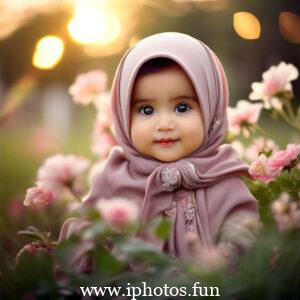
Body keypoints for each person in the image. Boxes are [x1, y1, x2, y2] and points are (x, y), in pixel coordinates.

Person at [59, 32, 259, 271]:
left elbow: (242, 227)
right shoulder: (112, 178)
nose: (164, 123)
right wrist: (93, 245)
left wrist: (225, 254)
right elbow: (84, 229)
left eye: (182, 107)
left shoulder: (222, 176)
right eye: (146, 110)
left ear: (211, 109)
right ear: (123, 116)